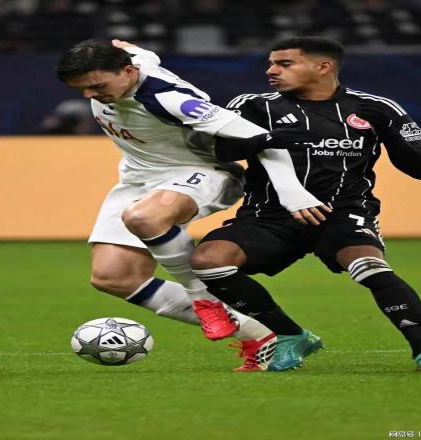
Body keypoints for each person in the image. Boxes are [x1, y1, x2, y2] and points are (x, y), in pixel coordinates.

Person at [56, 39, 328, 371]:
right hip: (138, 178)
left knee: (144, 217)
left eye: (97, 86)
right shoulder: (131, 63)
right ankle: (262, 334)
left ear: (128, 72)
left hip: (201, 171)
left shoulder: (170, 100)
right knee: (113, 277)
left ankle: (205, 299)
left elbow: (263, 141)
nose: (89, 95)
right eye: (81, 89)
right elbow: (146, 55)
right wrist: (131, 47)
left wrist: (293, 194)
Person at [191, 36, 421, 373]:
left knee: (370, 267)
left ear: (323, 67)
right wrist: (266, 139)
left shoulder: (377, 107)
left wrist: (389, 132)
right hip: (270, 215)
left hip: (344, 212)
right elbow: (220, 151)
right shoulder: (254, 105)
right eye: (271, 64)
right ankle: (290, 334)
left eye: (284, 64)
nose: (271, 71)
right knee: (209, 261)